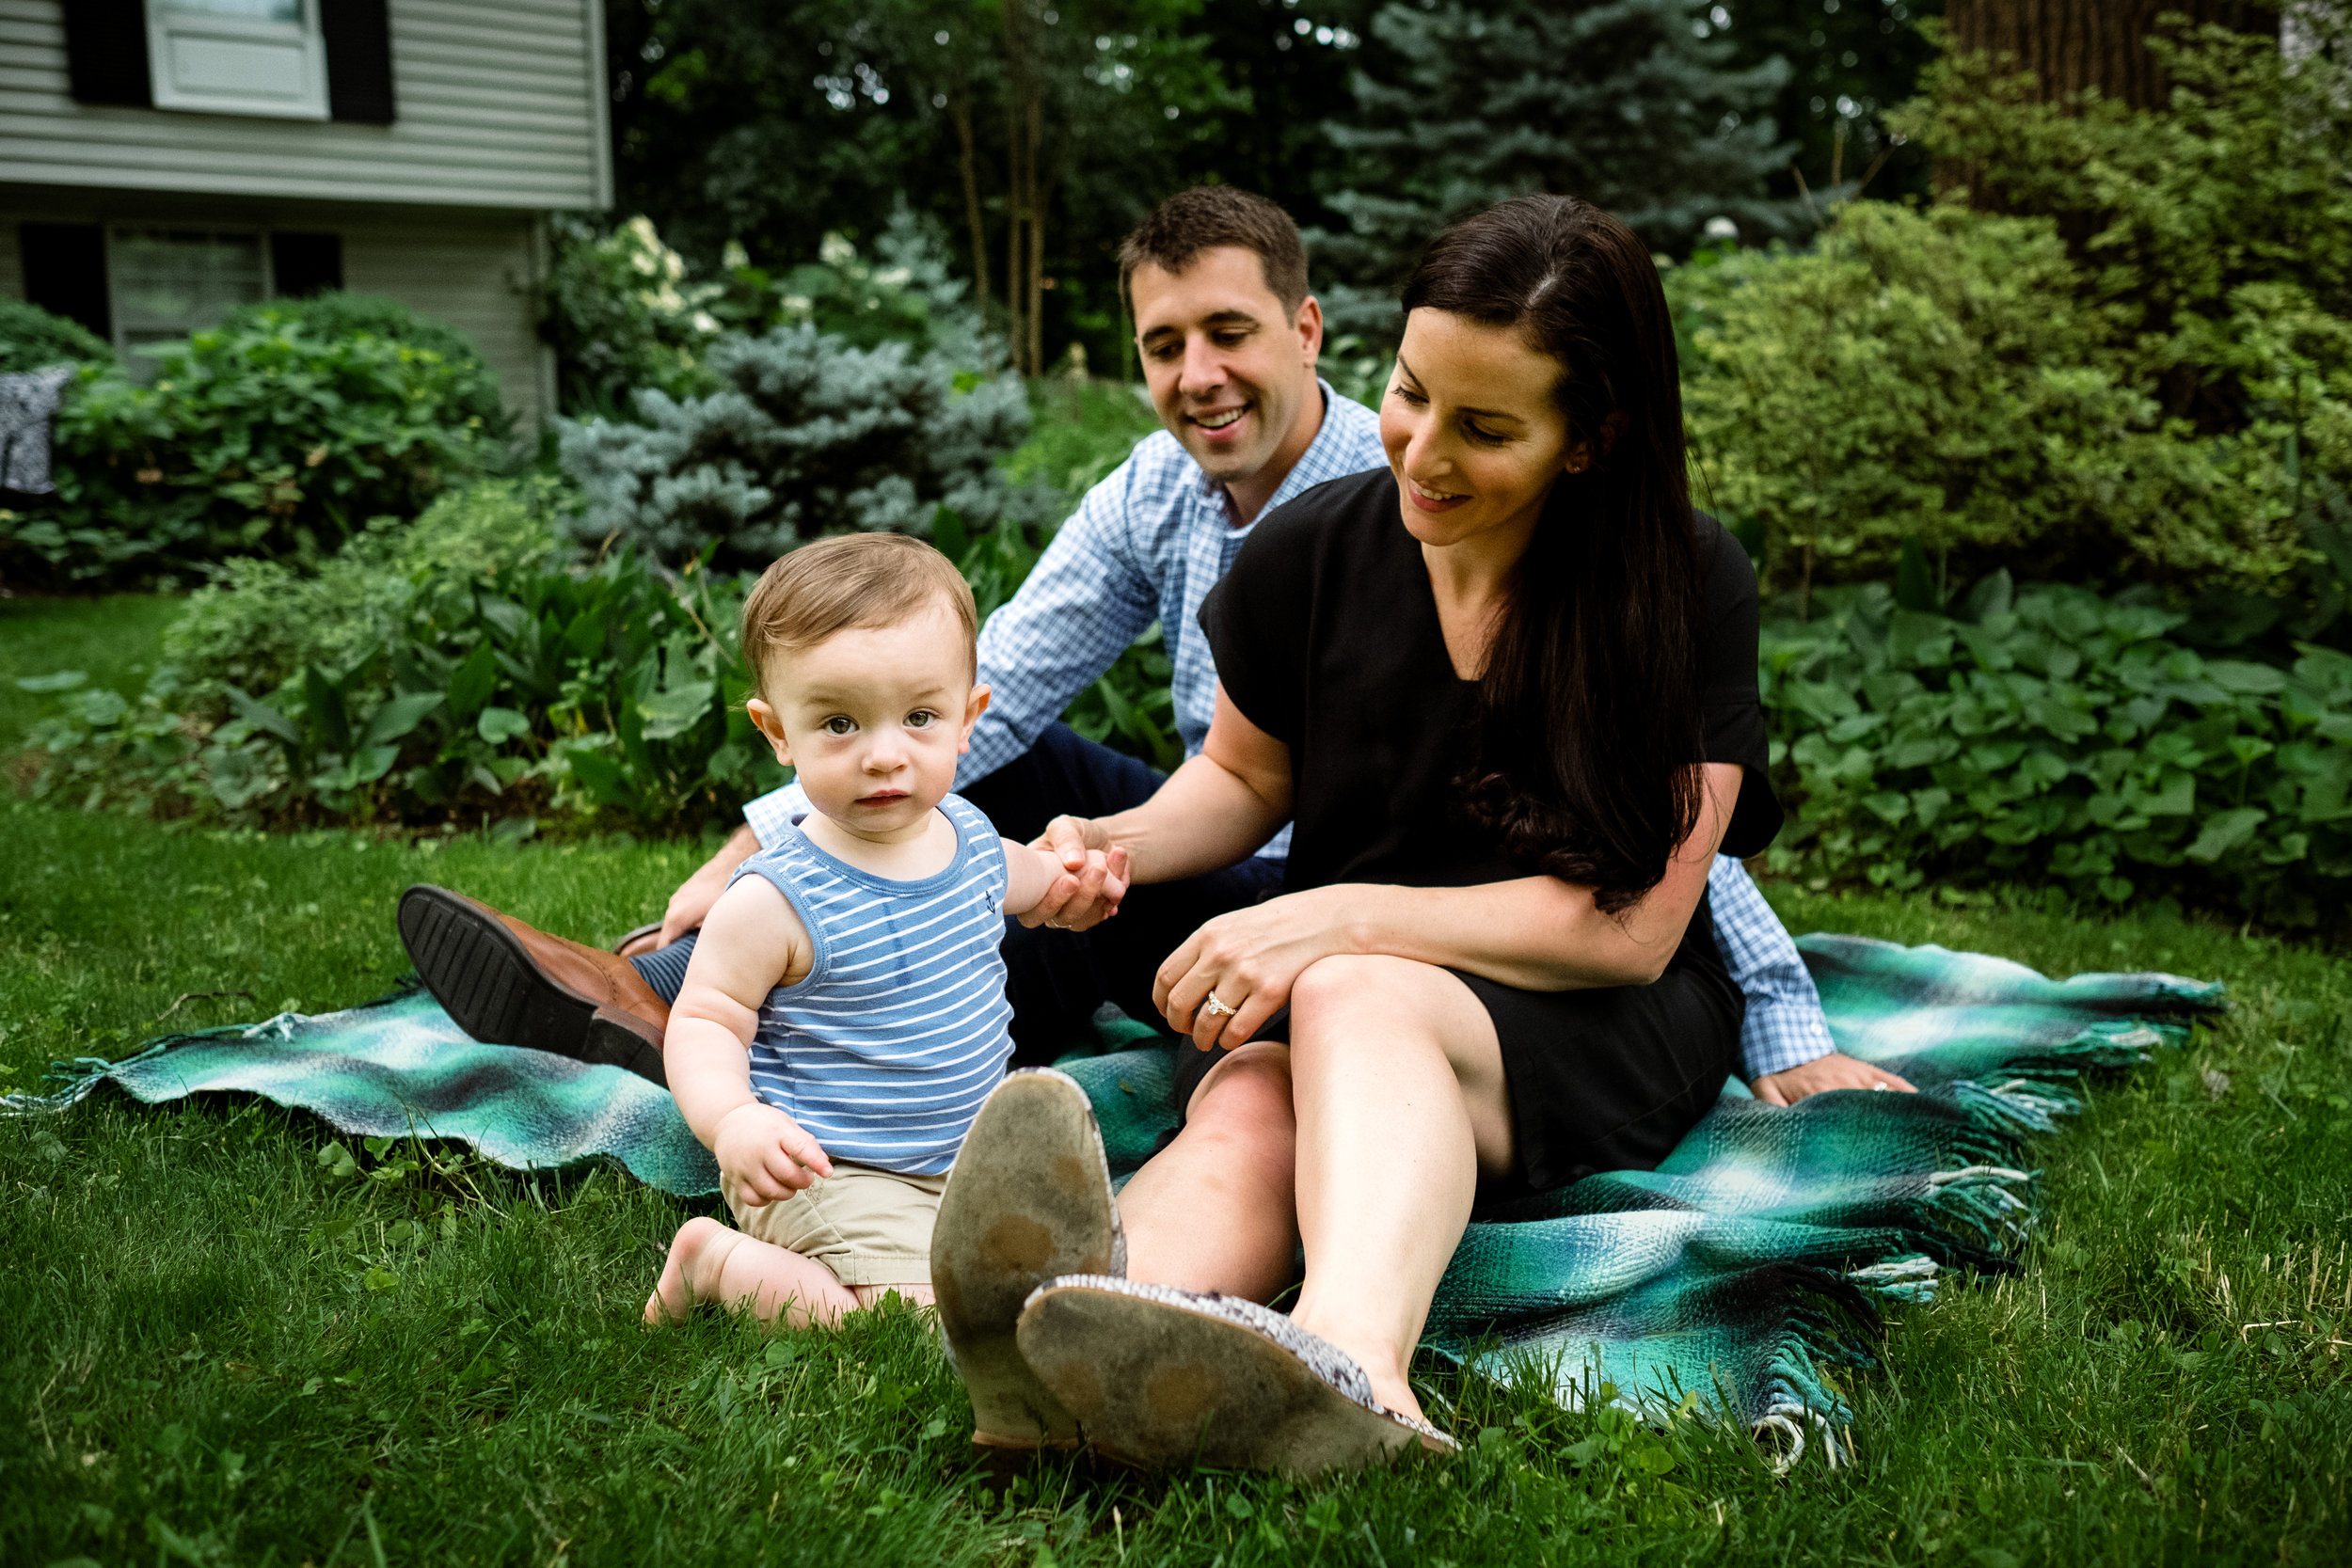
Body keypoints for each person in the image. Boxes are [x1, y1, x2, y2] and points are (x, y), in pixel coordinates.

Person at [398, 185, 1871, 1109]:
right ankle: (723, 994)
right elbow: (998, 692)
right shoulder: (1155, 489)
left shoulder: (1441, 490)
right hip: (1235, 842)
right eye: (1165, 343)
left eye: (1229, 331)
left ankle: (833, 1038)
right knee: (984, 758)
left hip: (1359, 899)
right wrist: (761, 847)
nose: (1198, 373)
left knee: (1016, 830)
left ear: (1306, 330)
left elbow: (1662, 832)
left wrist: (1778, 1009)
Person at [928, 195, 1918, 1478]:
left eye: (1485, 426)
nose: (1421, 451)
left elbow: (1635, 928)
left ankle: (1353, 1367)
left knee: (1348, 988)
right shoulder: (1304, 554)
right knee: (1246, 1103)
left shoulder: (1682, 586)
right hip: (1355, 1021)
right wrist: (1110, 839)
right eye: (1409, 394)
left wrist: (1335, 915)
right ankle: (1069, 1337)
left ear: (1591, 437)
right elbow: (1238, 774)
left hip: (1589, 1013)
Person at [639, 534, 1126, 1327]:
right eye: (839, 723)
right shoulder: (777, 897)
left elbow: (1033, 880)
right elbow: (705, 1019)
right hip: (830, 1167)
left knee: (1041, 1291)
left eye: (919, 716)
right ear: (777, 732)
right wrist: (734, 1120)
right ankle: (716, 1260)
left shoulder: (968, 837)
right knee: (928, 1332)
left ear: (968, 720)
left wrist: (1076, 882)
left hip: (964, 1160)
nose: (884, 755)